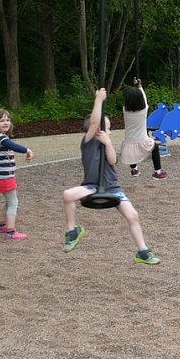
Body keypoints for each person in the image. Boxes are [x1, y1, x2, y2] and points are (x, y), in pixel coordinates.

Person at [62, 89, 161, 265]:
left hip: (112, 188)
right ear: (97, 130)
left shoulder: (106, 143)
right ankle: (72, 231)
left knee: (133, 216)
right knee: (68, 195)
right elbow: (94, 121)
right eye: (108, 128)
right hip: (92, 186)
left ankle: (143, 251)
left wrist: (108, 143)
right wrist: (98, 99)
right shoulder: (87, 143)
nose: (110, 132)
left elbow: (113, 160)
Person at [0, 109, 34, 241]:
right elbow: (12, 145)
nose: (6, 122)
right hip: (4, 178)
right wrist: (27, 150)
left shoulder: (0, 137)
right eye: (2, 120)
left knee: (9, 202)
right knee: (13, 203)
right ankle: (11, 232)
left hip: (2, 177)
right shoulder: (0, 138)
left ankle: (1, 225)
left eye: (7, 120)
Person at [119, 78, 167, 180]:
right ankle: (158, 172)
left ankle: (134, 170)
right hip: (142, 140)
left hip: (129, 141)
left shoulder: (125, 111)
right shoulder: (143, 111)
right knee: (155, 148)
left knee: (132, 152)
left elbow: (132, 100)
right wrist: (140, 87)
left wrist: (135, 87)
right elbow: (144, 99)